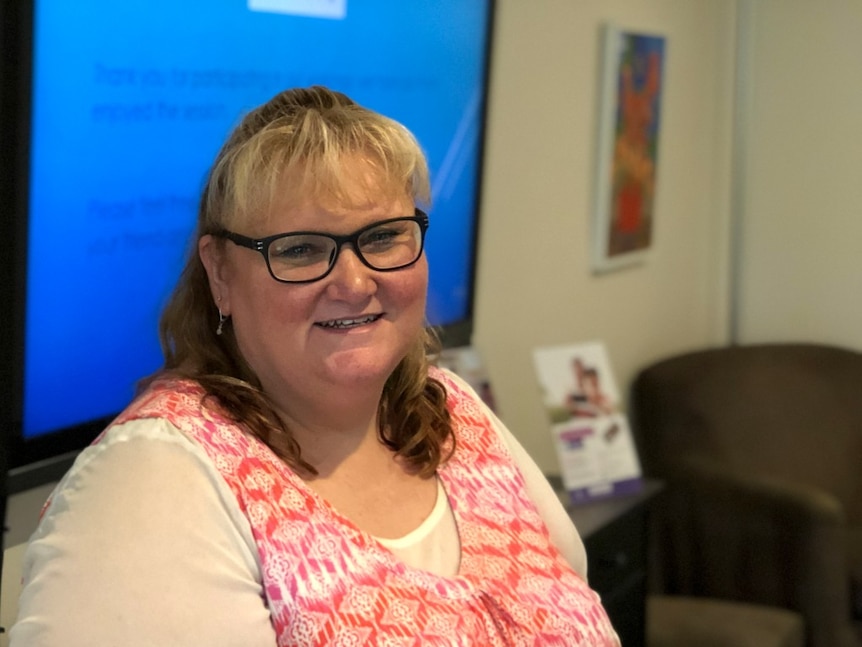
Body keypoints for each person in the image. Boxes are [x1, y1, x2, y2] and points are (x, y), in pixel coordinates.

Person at [10, 86, 620, 646]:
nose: (354, 283)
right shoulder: (148, 483)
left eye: (383, 237)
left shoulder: (453, 407)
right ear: (220, 274)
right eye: (300, 250)